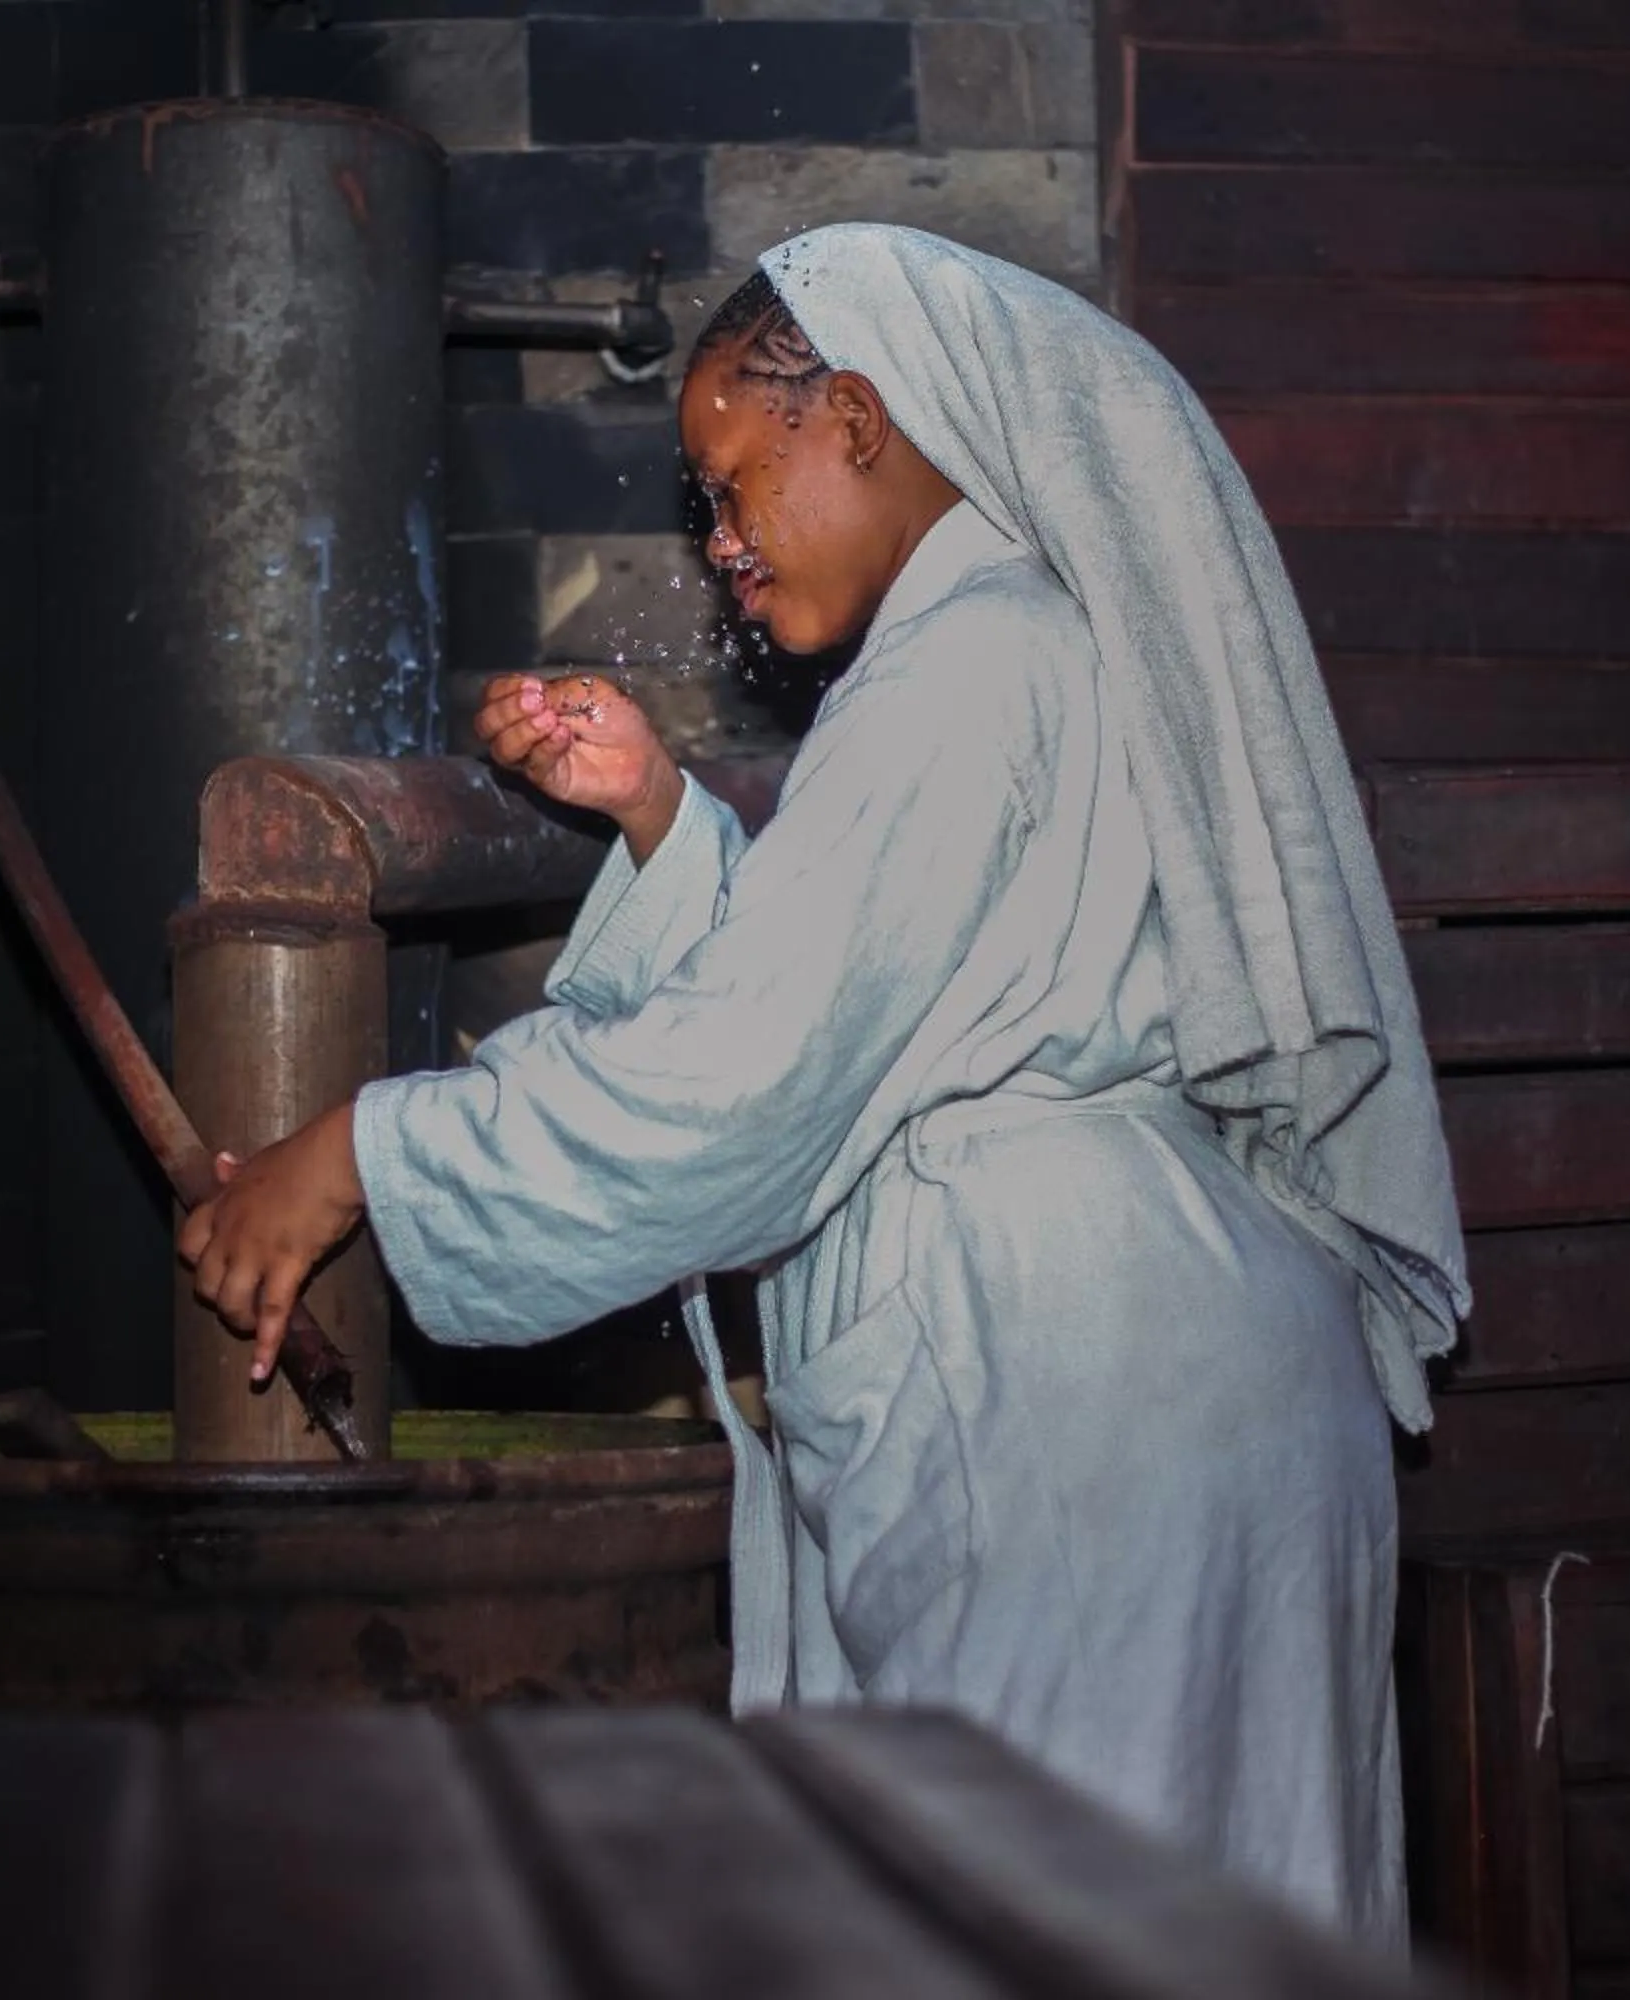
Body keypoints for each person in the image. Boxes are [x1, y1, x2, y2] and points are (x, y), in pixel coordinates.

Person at [176, 225, 1469, 1947]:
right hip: (1186, 1375)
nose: (718, 548)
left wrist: (357, 1153)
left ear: (852, 420)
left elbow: (746, 1085)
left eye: (729, 484)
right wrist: (659, 815)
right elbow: (913, 1003)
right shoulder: (1034, 641)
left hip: (1076, 1417)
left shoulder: (965, 667)